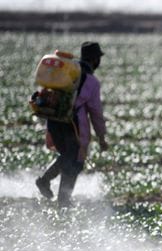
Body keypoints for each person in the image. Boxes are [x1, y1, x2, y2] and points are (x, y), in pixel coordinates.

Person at [35, 41, 109, 208]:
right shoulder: (91, 82)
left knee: (67, 157)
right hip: (73, 124)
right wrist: (102, 137)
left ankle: (51, 187)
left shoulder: (66, 71)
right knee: (75, 161)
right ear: (95, 60)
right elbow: (96, 112)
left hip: (54, 121)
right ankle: (61, 197)